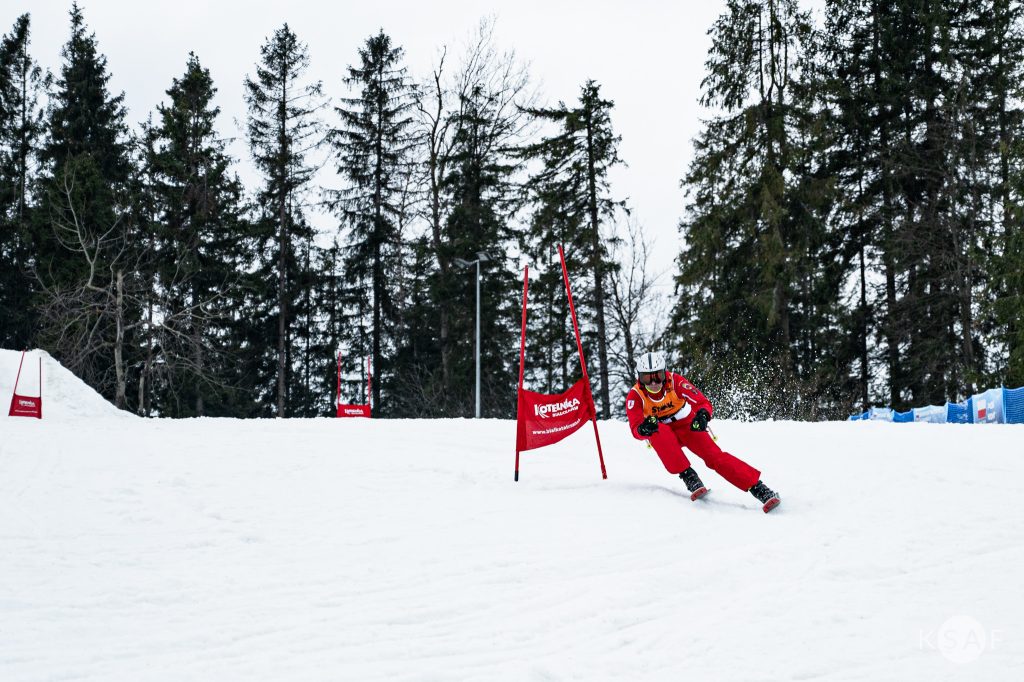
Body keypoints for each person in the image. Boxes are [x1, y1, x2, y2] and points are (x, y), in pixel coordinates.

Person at [625, 351, 781, 513]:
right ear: (639, 377)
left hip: (685, 424)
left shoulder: (675, 382)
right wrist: (643, 429)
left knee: (714, 457)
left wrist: (702, 415)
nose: (653, 382)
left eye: (657, 376)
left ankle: (758, 488)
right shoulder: (635, 396)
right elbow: (635, 428)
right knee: (658, 430)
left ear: (664, 373)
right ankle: (688, 475)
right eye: (647, 378)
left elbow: (702, 402)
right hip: (662, 432)